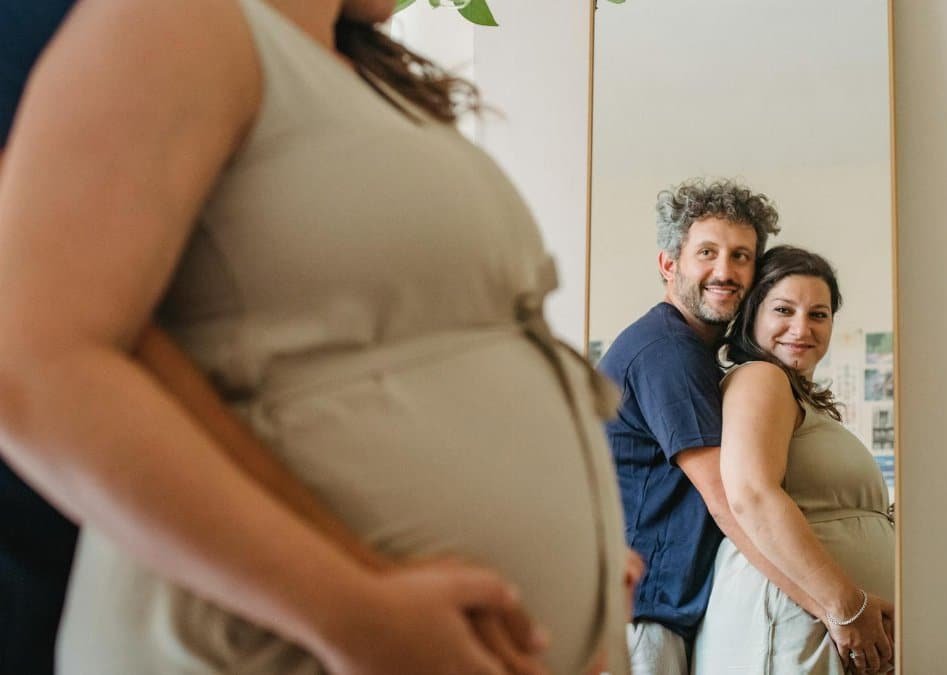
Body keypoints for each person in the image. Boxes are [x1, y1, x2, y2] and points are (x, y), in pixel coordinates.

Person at [0, 0, 632, 673]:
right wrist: (355, 610)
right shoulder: (178, 20)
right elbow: (31, 360)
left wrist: (581, 567)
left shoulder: (361, 75)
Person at [599, 179, 847, 674]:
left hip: (658, 614)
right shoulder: (667, 352)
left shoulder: (695, 356)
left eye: (741, 256)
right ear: (670, 265)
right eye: (707, 252)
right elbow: (733, 501)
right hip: (641, 619)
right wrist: (837, 611)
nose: (725, 271)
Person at [692, 246, 895, 674]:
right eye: (784, 310)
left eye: (818, 315)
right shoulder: (760, 378)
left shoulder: (796, 395)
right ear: (752, 315)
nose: (801, 328)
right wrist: (846, 607)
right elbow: (751, 495)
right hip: (788, 622)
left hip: (814, 622)